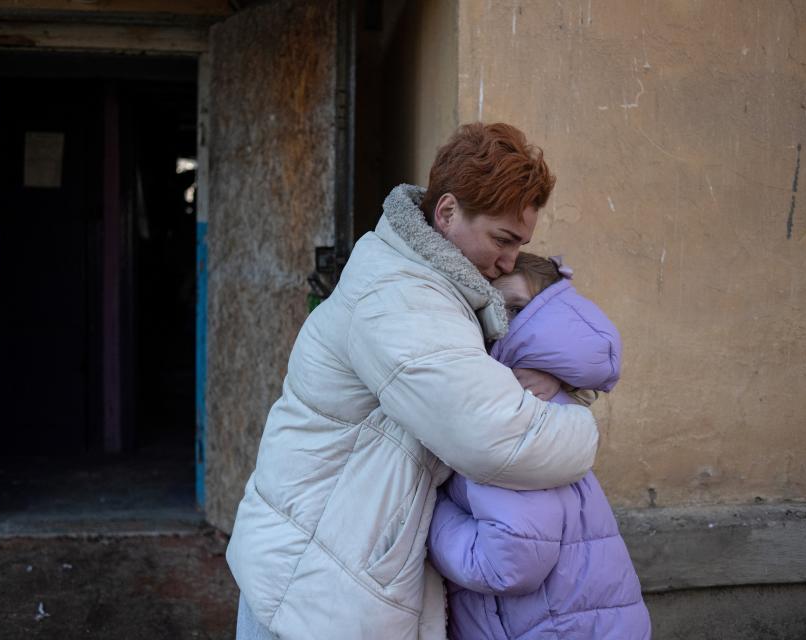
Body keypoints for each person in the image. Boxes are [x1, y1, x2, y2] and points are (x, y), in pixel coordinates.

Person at [226, 123, 601, 640]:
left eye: (522, 244)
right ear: (446, 213)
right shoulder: (402, 297)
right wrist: (579, 425)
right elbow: (499, 440)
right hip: (316, 588)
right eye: (503, 239)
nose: (511, 260)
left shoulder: (424, 282)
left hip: (327, 571)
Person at [427, 253, 651, 639]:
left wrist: (426, 518)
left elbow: (508, 563)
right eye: (491, 309)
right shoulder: (537, 397)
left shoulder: (517, 411)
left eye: (516, 309)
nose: (501, 325)